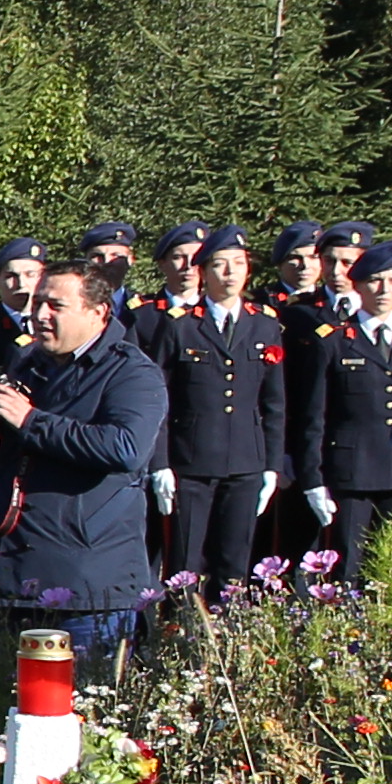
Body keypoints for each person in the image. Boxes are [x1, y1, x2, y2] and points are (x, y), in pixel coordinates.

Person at [0, 253, 170, 666]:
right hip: (14, 572)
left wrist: (29, 420)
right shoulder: (30, 364)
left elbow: (125, 448)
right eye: (38, 303)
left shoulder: (131, 373)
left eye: (56, 306)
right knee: (7, 713)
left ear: (98, 312)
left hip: (88, 583)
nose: (40, 315)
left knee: (84, 712)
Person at [141, 230, 283, 602]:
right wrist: (160, 464)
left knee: (235, 561)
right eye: (219, 265)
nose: (230, 273)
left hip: (246, 463)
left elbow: (274, 402)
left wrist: (271, 465)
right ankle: (179, 640)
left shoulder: (265, 325)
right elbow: (160, 399)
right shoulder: (180, 325)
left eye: (238, 263)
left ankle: (227, 642)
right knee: (183, 564)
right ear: (203, 271)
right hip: (191, 464)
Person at [295, 249, 392, 588]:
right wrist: (313, 479)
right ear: (358, 287)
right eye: (374, 281)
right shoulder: (334, 341)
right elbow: (314, 417)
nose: (383, 289)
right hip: (352, 473)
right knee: (349, 567)